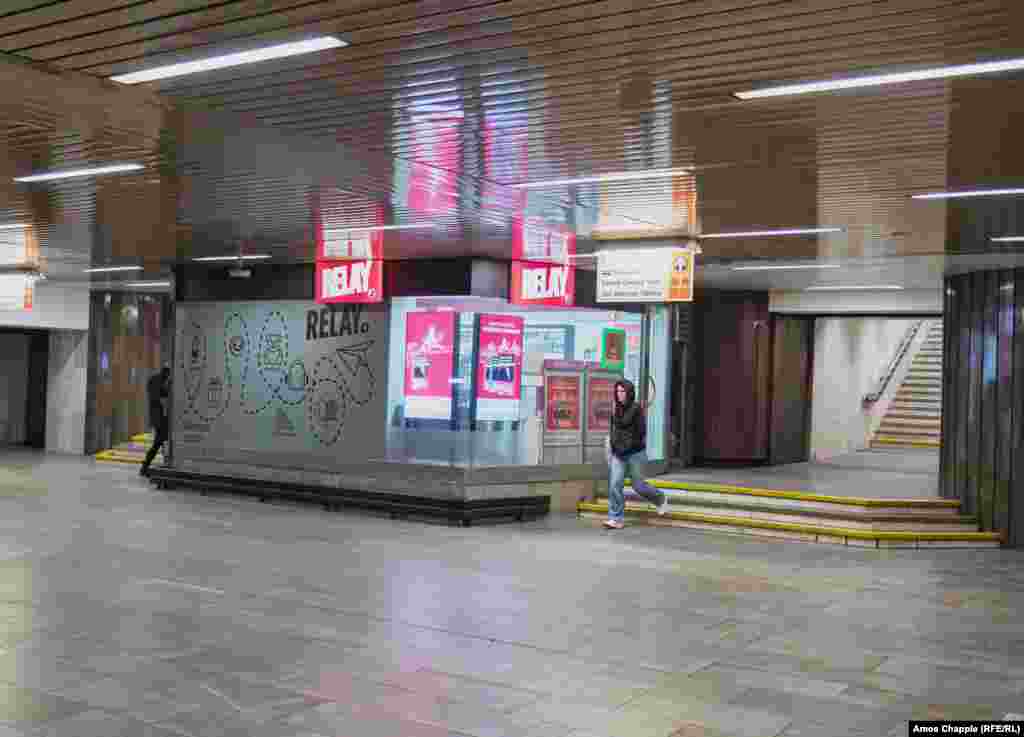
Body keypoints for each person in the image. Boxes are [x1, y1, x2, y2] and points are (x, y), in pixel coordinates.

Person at [605, 379, 668, 529]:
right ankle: (616, 518)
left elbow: (641, 432)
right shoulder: (615, 409)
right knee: (615, 483)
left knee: (639, 486)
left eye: (622, 391)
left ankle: (660, 498)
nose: (619, 394)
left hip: (634, 453)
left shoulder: (636, 409)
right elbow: (613, 430)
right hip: (618, 453)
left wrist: (628, 445)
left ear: (629, 393)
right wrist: (614, 446)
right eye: (617, 391)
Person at [141, 366, 171, 477]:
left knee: (160, 442)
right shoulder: (159, 382)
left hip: (157, 418)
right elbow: (162, 396)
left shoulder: (155, 380)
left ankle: (146, 466)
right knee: (159, 442)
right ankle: (145, 467)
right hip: (160, 418)